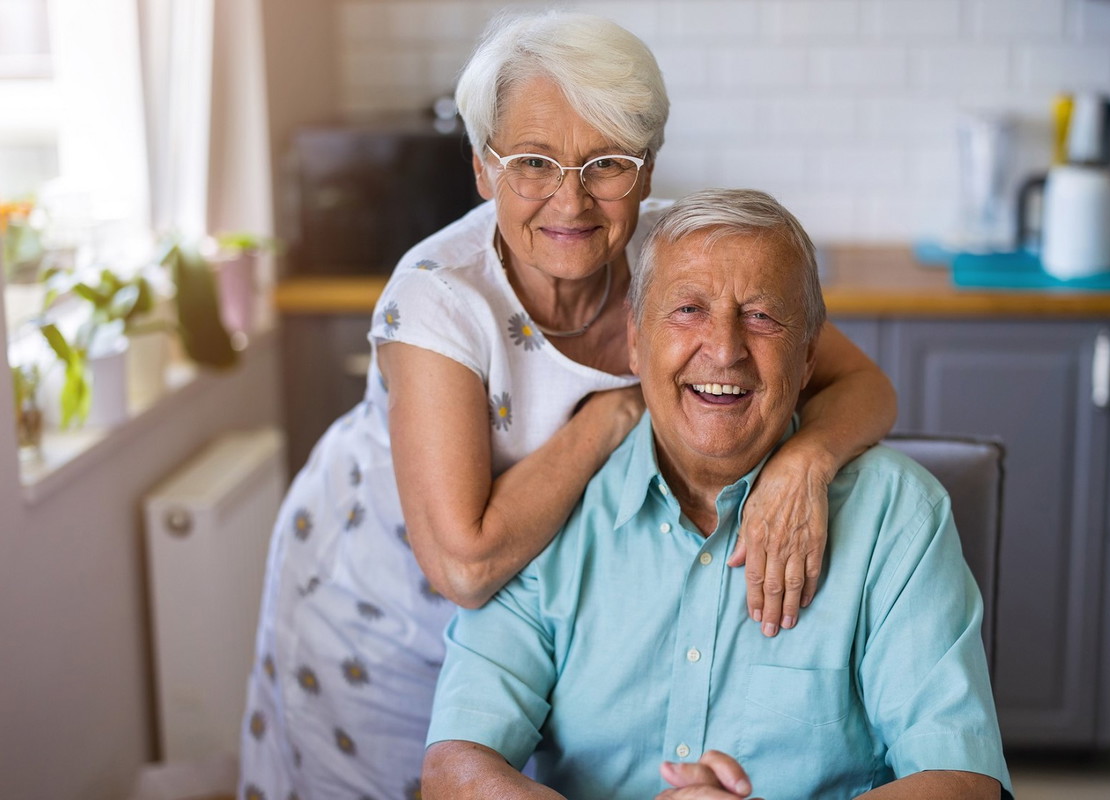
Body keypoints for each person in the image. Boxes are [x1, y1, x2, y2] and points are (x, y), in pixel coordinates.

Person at [239, 11, 897, 800]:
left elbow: (865, 387)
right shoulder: (441, 297)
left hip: (546, 628)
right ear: (483, 169)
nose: (571, 200)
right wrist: (613, 415)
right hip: (382, 616)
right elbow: (464, 563)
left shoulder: (677, 262)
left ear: (649, 170)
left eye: (607, 163)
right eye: (532, 162)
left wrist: (804, 463)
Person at [422, 190, 1012, 800]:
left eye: (761, 316)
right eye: (687, 310)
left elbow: (961, 784)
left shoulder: (897, 515)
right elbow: (457, 765)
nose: (725, 349)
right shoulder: (555, 509)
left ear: (808, 357)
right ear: (634, 340)